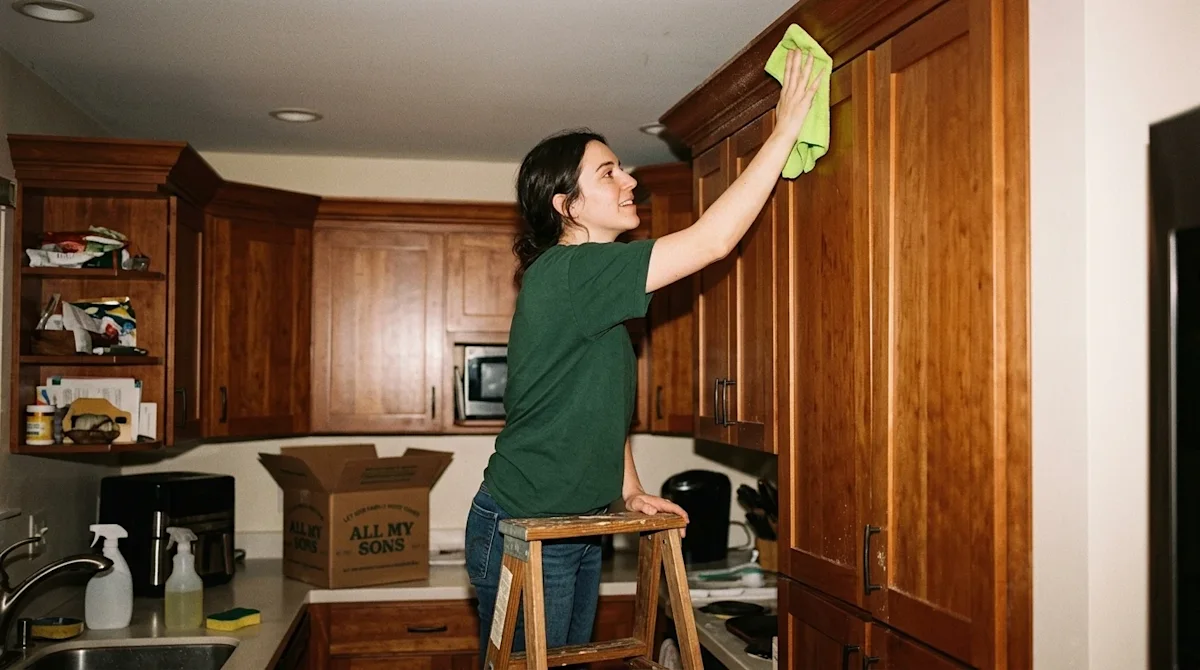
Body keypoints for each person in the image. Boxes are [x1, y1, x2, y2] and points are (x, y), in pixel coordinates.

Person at [465, 49, 821, 663]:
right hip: (523, 524)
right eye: (608, 173)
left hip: (576, 524)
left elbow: (602, 408)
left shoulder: (592, 287)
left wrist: (628, 491)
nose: (630, 180)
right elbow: (712, 241)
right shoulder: (573, 272)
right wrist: (783, 127)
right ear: (565, 205)